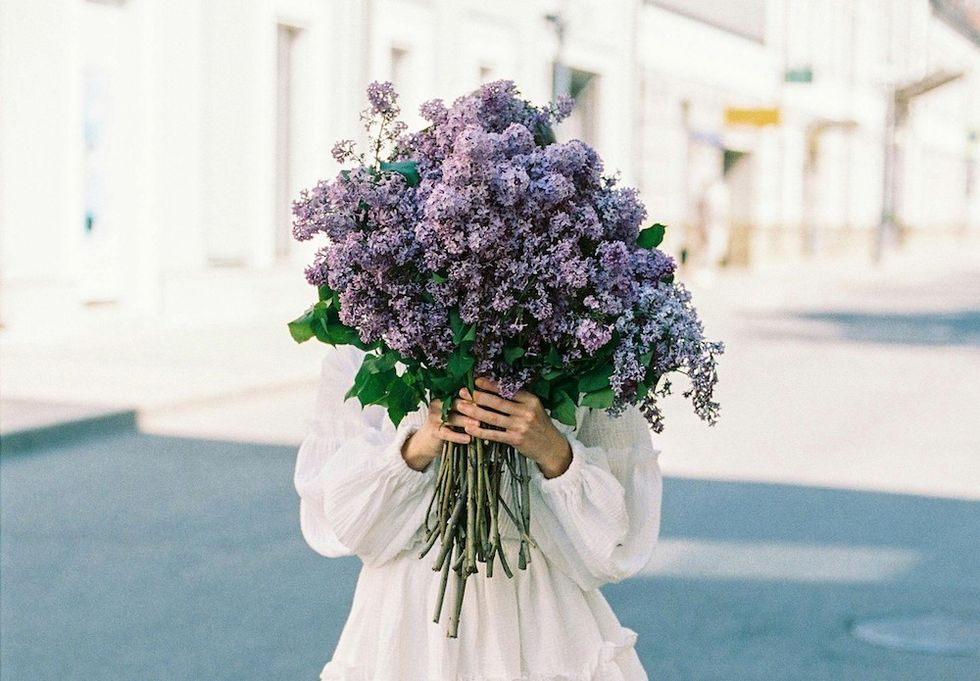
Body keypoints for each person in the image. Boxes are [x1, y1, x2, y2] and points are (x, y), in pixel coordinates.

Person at [294, 343, 664, 680]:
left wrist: (552, 450)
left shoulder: (591, 333)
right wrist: (420, 445)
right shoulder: (362, 344)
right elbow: (338, 523)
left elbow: (618, 542)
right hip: (409, 625)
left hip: (539, 621)